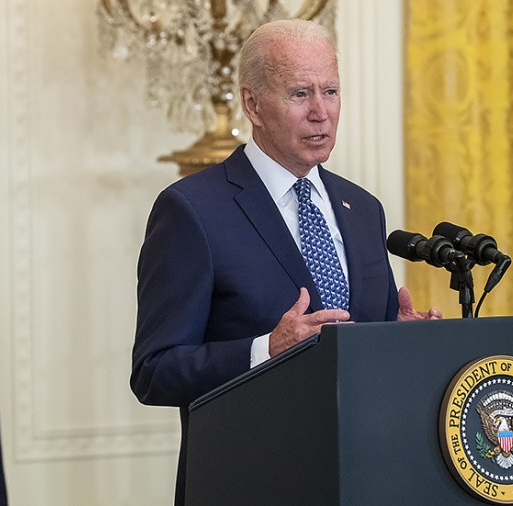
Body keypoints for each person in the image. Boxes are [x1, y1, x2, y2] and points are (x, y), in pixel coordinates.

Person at [131, 18, 441, 504]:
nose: (321, 113)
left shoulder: (363, 209)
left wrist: (396, 338)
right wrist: (265, 351)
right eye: (300, 94)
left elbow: (358, 357)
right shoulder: (193, 210)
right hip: (251, 483)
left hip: (366, 479)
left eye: (331, 92)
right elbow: (154, 371)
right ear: (253, 104)